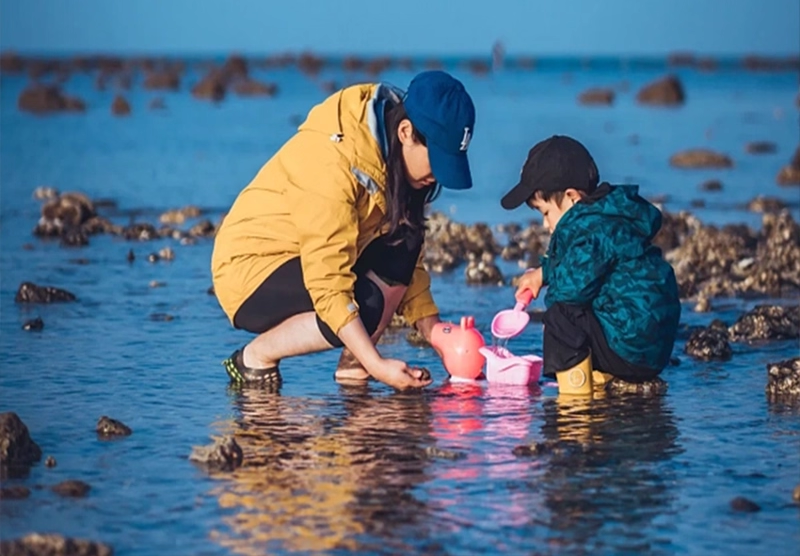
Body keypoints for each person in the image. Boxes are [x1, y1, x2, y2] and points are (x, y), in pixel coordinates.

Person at [212, 70, 476, 392]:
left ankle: (353, 372)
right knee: (364, 305)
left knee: (406, 239)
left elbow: (406, 259)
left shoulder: (394, 157)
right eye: (437, 161)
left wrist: (436, 332)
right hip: (249, 272)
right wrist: (378, 365)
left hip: (305, 259)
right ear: (406, 131)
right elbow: (329, 285)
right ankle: (255, 357)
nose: (437, 176)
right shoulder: (334, 162)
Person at [500, 135, 681, 395]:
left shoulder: (589, 229)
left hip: (628, 347)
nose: (545, 224)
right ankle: (600, 373)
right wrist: (545, 272)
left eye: (545, 213)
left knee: (561, 315)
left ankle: (576, 404)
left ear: (572, 197)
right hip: (653, 349)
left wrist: (546, 274)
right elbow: (585, 269)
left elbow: (570, 289)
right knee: (590, 302)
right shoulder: (610, 218)